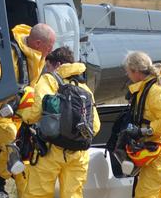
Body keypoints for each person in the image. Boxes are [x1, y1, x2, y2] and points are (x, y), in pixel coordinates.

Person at [0, 23, 56, 198]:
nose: (51, 52)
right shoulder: (6, 53)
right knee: (15, 142)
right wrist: (14, 90)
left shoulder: (36, 57)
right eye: (49, 47)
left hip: (18, 117)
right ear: (37, 43)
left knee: (28, 158)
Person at [16, 46, 100, 198]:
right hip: (78, 152)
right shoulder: (85, 88)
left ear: (57, 64)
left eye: (48, 66)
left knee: (37, 193)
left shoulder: (49, 79)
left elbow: (35, 113)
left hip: (51, 150)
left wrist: (22, 113)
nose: (47, 70)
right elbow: (95, 126)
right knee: (73, 195)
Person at [121, 51, 161, 198]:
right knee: (156, 193)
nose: (128, 76)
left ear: (136, 71)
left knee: (145, 194)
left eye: (128, 72)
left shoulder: (157, 91)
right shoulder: (146, 89)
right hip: (155, 147)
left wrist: (143, 131)